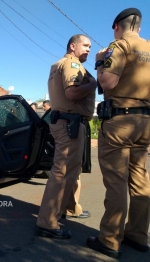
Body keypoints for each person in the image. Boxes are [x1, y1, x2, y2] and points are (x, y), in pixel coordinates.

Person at [86, 8, 150, 258]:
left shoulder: (119, 46)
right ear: (140, 27)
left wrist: (101, 61)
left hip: (120, 121)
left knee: (116, 181)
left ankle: (110, 239)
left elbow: (107, 83)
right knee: (140, 179)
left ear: (116, 26)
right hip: (145, 122)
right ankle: (138, 235)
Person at [35, 34, 97, 239]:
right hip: (69, 123)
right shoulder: (72, 65)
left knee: (71, 169)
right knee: (62, 171)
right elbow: (72, 93)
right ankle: (47, 222)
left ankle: (70, 208)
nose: (88, 49)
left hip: (65, 121)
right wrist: (92, 84)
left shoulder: (59, 64)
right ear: (73, 46)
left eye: (90, 46)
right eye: (85, 45)